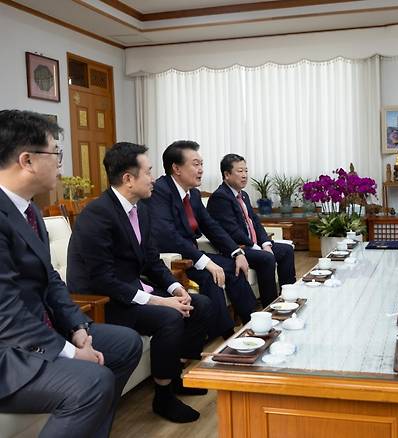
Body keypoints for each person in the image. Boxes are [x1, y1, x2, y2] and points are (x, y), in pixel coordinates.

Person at [0, 110, 142, 437]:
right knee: (94, 381)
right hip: (8, 350)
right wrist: (70, 351)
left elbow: (50, 279)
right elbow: (5, 314)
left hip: (37, 330)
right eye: (55, 153)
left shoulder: (28, 209)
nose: (61, 164)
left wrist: (78, 327)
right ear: (27, 160)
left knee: (125, 343)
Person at [67, 142, 213, 423]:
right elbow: (102, 279)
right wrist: (161, 301)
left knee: (200, 304)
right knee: (169, 317)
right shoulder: (97, 215)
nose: (154, 178)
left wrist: (175, 287)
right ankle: (163, 397)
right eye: (148, 172)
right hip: (103, 300)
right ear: (128, 179)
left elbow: (151, 260)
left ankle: (175, 375)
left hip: (131, 289)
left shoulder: (141, 209)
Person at [148, 140, 258, 339]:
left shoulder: (194, 194)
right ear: (176, 168)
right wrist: (206, 262)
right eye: (196, 164)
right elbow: (168, 236)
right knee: (211, 276)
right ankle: (225, 337)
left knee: (235, 267)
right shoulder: (160, 192)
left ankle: (255, 325)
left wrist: (236, 251)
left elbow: (212, 227)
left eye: (201, 164)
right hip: (174, 258)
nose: (201, 170)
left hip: (193, 253)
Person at [206, 154, 296, 306]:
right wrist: (255, 246)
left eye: (246, 171)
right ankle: (272, 305)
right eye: (240, 171)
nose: (244, 175)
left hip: (251, 245)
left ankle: (289, 296)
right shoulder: (220, 197)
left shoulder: (244, 195)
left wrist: (266, 244)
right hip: (237, 248)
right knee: (266, 258)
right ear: (227, 174)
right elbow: (232, 230)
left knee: (286, 250)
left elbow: (255, 223)